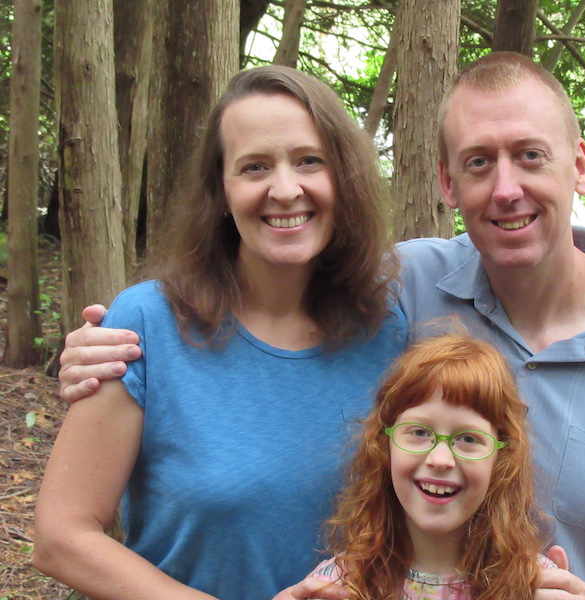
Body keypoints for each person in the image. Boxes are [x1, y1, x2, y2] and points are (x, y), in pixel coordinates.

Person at [55, 53, 585, 600]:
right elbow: (64, 532)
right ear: (448, 183)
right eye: (478, 163)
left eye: (529, 157)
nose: (506, 188)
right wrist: (101, 343)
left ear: (579, 164)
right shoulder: (406, 292)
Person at [33, 65, 407, 600]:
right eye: (254, 167)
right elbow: (60, 536)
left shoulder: (388, 333)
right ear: (222, 192)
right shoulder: (146, 326)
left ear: (342, 177)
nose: (285, 188)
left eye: (309, 161)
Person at [285, 332, 557, 600]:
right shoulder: (337, 586)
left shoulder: (536, 587)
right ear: (384, 443)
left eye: (467, 438)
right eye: (419, 432)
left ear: (502, 457)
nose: (440, 459)